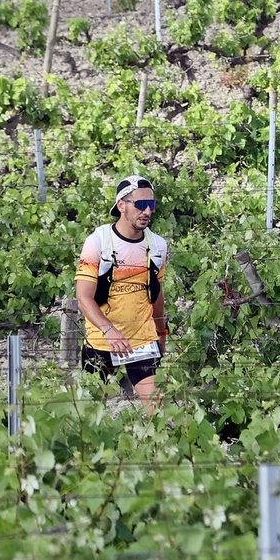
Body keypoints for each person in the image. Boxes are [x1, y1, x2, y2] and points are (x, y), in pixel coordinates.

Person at [74, 175, 170, 409]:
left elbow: (156, 293)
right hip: (102, 341)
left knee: (157, 411)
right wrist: (109, 330)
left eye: (152, 205)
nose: (147, 211)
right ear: (121, 206)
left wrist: (161, 332)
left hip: (142, 339)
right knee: (91, 414)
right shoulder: (98, 242)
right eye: (140, 205)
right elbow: (83, 297)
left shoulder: (158, 246)